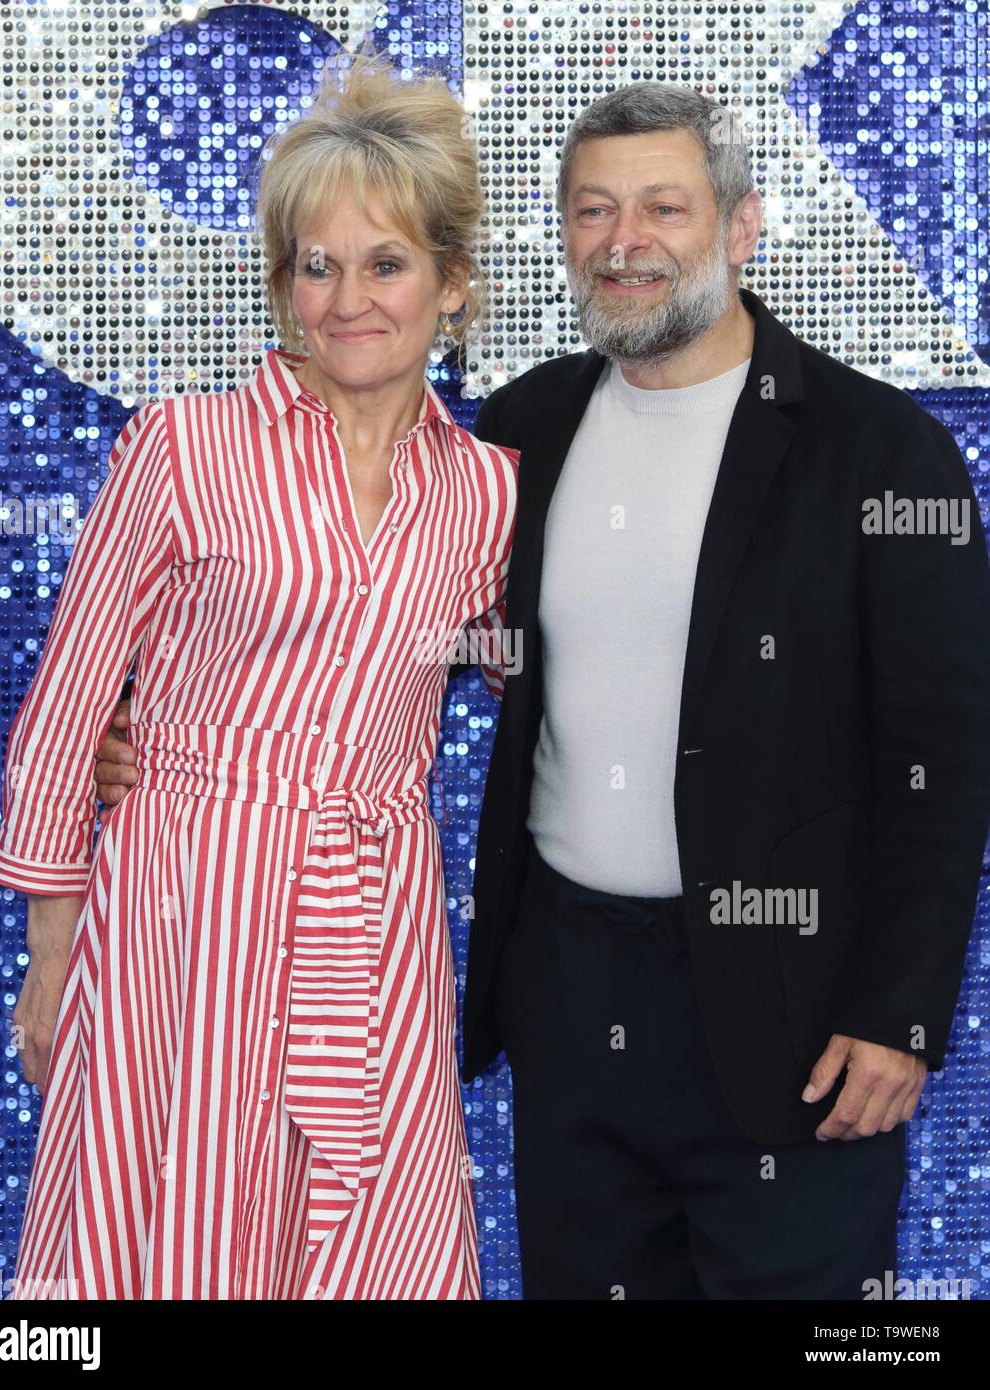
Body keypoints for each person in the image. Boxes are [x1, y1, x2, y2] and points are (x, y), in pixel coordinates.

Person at [0, 48, 517, 1300]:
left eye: (385, 264)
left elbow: (522, 666)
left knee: (372, 1245)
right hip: (185, 907)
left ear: (451, 285)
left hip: (375, 924)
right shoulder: (182, 447)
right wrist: (51, 960)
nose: (347, 301)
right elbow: (66, 712)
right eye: (314, 266)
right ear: (281, 284)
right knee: (155, 1241)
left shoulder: (486, 491)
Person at [456, 82, 988, 1298]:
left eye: (662, 206)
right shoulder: (517, 429)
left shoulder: (881, 449)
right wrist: (151, 735)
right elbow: (386, 626)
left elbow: (946, 756)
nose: (623, 240)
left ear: (741, 227)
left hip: (797, 1012)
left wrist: (900, 1011)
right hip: (571, 992)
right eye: (592, 210)